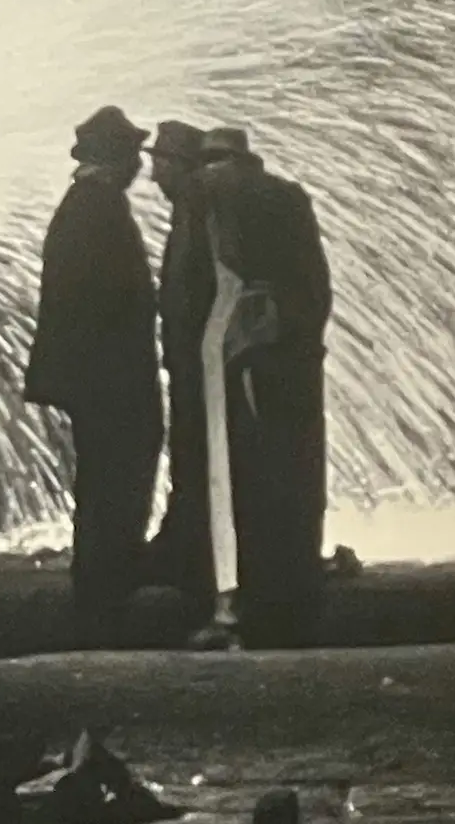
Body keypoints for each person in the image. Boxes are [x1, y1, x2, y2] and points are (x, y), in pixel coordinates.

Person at [22, 106, 163, 642]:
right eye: (132, 155)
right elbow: (104, 297)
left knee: (108, 473)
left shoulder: (87, 203)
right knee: (117, 473)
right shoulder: (97, 206)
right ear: (116, 158)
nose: (139, 167)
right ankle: (107, 586)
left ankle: (105, 579)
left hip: (97, 376)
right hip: (109, 377)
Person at [192, 126, 334, 649]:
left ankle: (269, 602)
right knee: (296, 478)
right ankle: (295, 595)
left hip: (261, 352)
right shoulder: (285, 196)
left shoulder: (232, 200)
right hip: (294, 352)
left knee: (260, 481)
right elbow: (315, 288)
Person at [141, 120, 218, 610]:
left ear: (180, 166)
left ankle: (191, 556)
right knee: (192, 453)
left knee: (196, 452)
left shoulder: (197, 214)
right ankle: (186, 547)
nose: (152, 177)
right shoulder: (193, 212)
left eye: (159, 164)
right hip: (192, 359)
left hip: (198, 362)